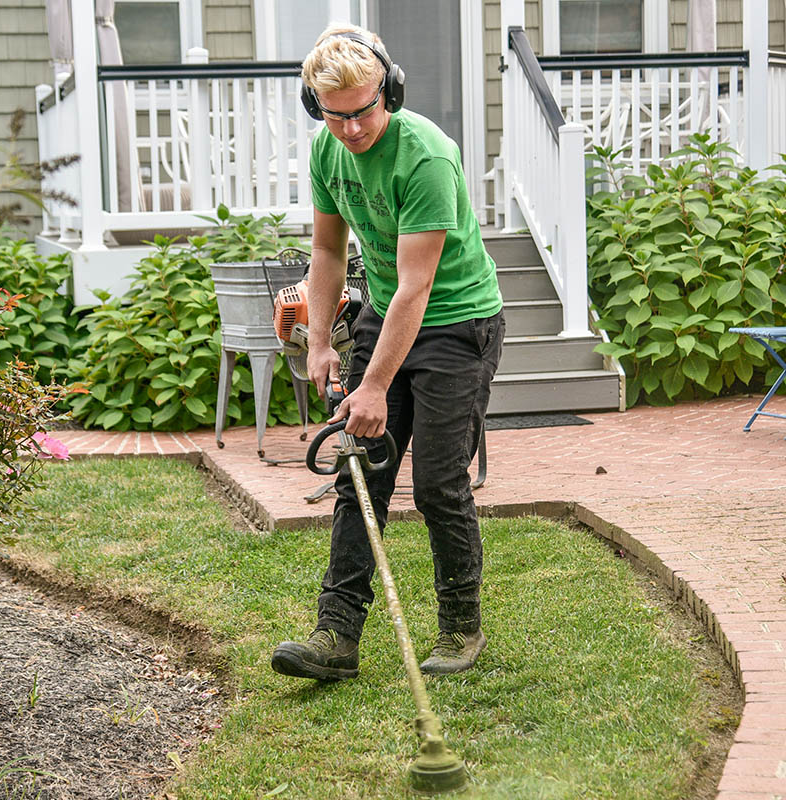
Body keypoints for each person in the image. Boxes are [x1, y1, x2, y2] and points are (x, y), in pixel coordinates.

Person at [270, 24, 504, 681]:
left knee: (436, 482)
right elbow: (326, 251)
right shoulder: (328, 149)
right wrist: (318, 340)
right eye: (333, 115)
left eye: (362, 111)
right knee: (358, 473)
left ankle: (461, 629)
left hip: (457, 323)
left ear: (390, 93)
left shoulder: (424, 155)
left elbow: (416, 286)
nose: (348, 129)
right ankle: (335, 637)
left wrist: (372, 387)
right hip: (386, 312)